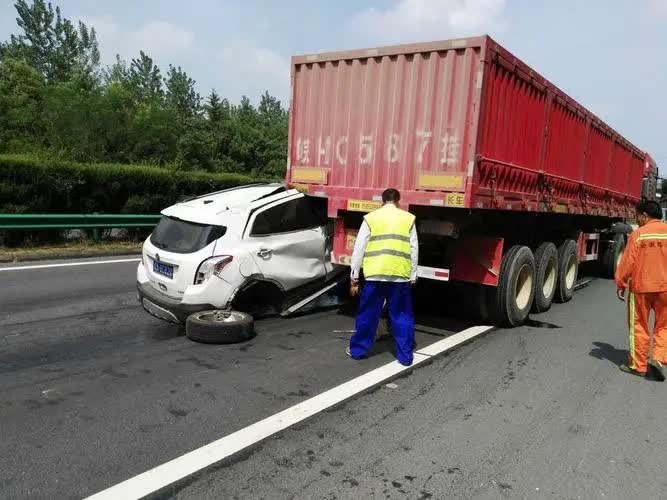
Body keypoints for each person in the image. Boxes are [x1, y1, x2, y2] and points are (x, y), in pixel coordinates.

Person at [347, 188, 419, 366]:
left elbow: (359, 250)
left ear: (382, 201)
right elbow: (414, 249)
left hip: (375, 275)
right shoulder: (408, 218)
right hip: (399, 276)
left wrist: (354, 277)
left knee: (368, 314)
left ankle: (358, 351)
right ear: (398, 201)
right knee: (402, 316)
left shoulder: (371, 218)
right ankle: (405, 357)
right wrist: (413, 274)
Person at [615, 200, 667, 376]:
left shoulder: (638, 235)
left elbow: (627, 262)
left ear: (645, 216)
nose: (636, 219)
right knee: (664, 326)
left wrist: (621, 283)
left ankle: (639, 366)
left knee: (639, 325)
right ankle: (658, 359)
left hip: (641, 288)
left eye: (637, 216)